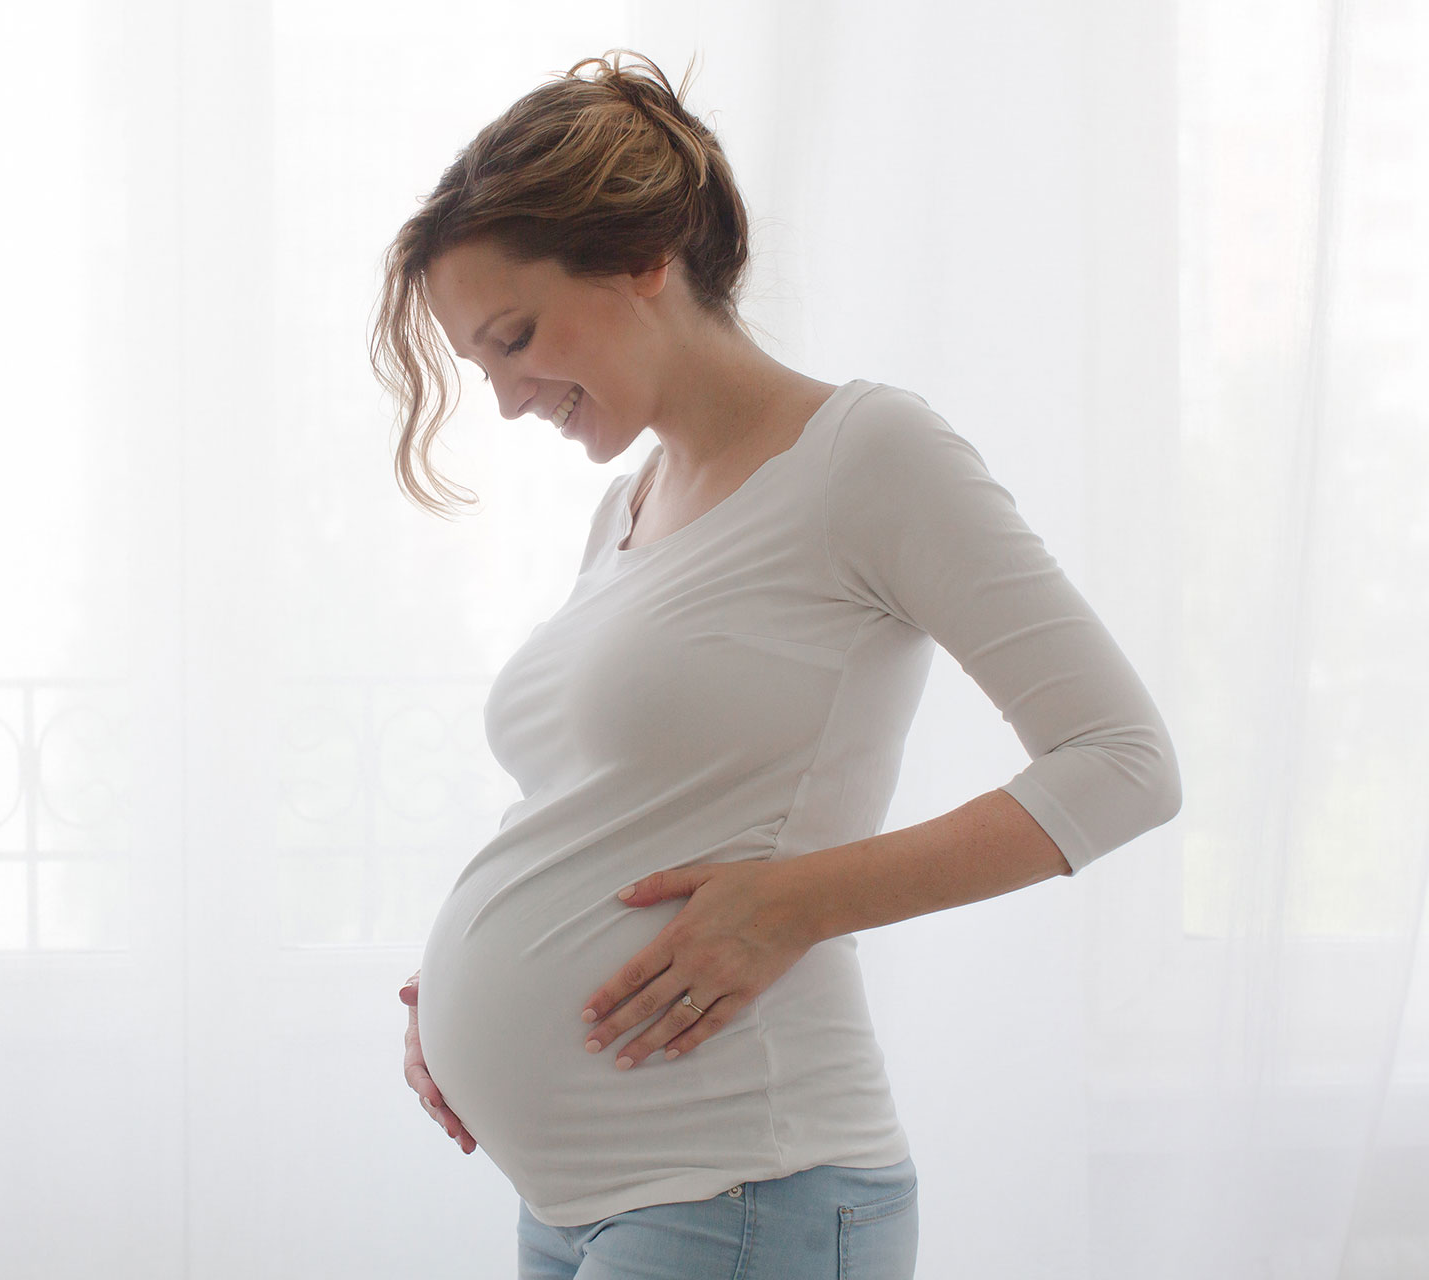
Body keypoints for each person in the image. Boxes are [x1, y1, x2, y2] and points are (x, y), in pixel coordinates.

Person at [371, 49, 1181, 1280]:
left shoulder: (870, 452)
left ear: (646, 257)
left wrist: (791, 902)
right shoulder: (631, 504)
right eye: (482, 366)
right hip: (583, 1199)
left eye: (518, 336)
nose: (508, 399)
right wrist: (464, 982)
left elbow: (1124, 764)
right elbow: (613, 794)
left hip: (745, 1187)